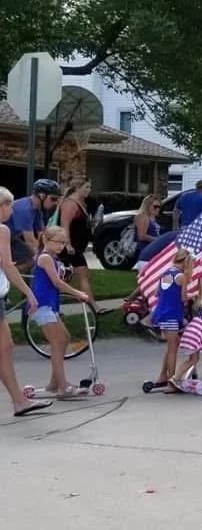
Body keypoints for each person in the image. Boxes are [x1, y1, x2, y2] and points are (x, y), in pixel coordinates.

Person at [27, 226, 91, 399]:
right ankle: (63, 387)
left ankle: (54, 383)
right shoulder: (46, 257)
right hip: (43, 305)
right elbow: (56, 283)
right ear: (46, 241)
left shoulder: (51, 258)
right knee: (58, 341)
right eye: (58, 242)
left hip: (50, 305)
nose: (62, 246)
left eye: (64, 242)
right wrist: (78, 293)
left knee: (64, 339)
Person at [0, 188, 48, 415]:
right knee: (4, 348)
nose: (12, 209)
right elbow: (8, 266)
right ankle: (19, 401)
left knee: (5, 347)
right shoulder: (2, 231)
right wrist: (29, 292)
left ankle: (19, 401)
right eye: (9, 205)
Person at [150, 248, 194, 393]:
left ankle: (163, 376)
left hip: (162, 313)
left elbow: (157, 293)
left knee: (170, 348)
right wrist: (192, 297)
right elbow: (183, 298)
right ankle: (171, 382)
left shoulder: (165, 274)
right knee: (173, 349)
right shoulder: (181, 277)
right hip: (173, 315)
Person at [6, 178, 60, 271]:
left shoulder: (37, 210)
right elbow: (30, 240)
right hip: (4, 237)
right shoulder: (25, 209)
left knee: (31, 260)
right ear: (42, 195)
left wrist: (51, 251)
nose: (55, 202)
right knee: (34, 258)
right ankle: (5, 276)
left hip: (10, 238)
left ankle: (5, 276)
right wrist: (47, 256)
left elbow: (42, 234)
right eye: (53, 198)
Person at [56, 177, 93, 301]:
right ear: (77, 188)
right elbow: (64, 224)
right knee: (82, 275)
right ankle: (93, 307)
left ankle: (56, 304)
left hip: (76, 247)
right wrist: (68, 244)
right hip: (70, 247)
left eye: (89, 187)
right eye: (86, 187)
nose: (89, 190)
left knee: (69, 277)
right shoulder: (70, 203)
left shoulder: (80, 204)